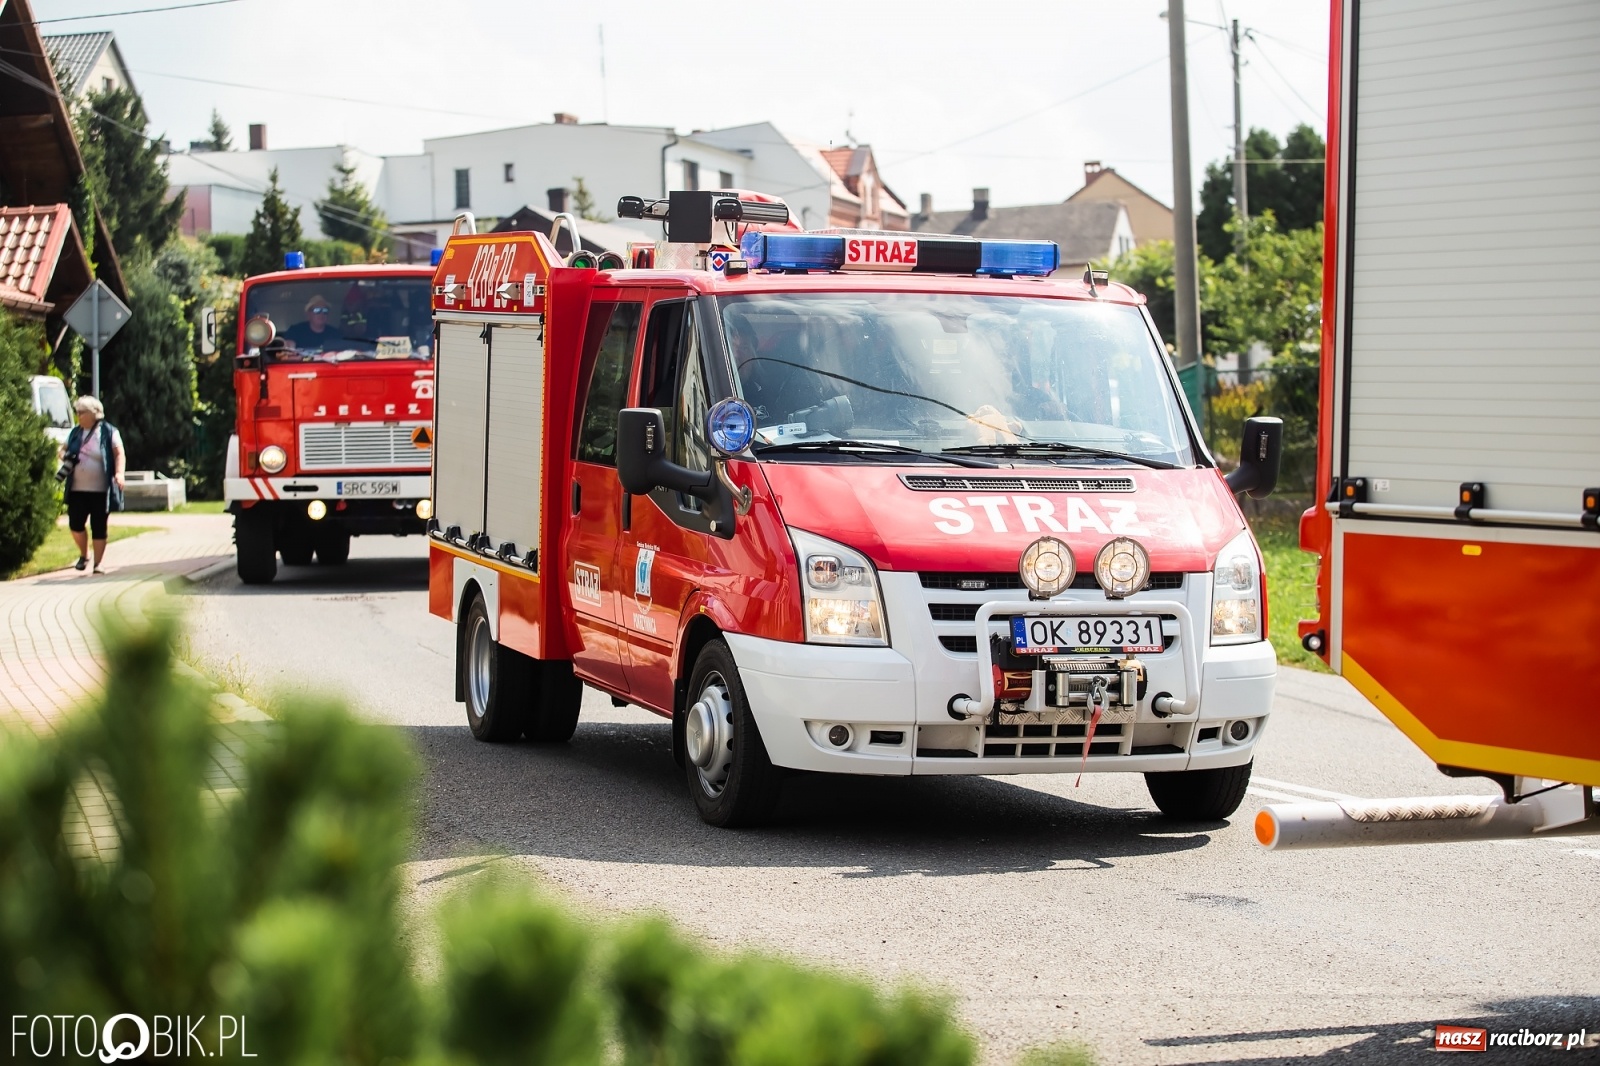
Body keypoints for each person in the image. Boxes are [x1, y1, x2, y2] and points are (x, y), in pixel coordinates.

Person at [61, 395, 125, 574]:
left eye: (82, 412)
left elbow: (119, 453)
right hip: (77, 489)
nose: (78, 415)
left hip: (101, 490)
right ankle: (84, 554)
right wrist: (64, 456)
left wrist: (119, 474)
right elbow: (63, 450)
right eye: (77, 412)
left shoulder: (108, 432)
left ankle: (98, 563)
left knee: (99, 525)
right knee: (75, 524)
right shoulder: (75, 432)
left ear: (94, 414)